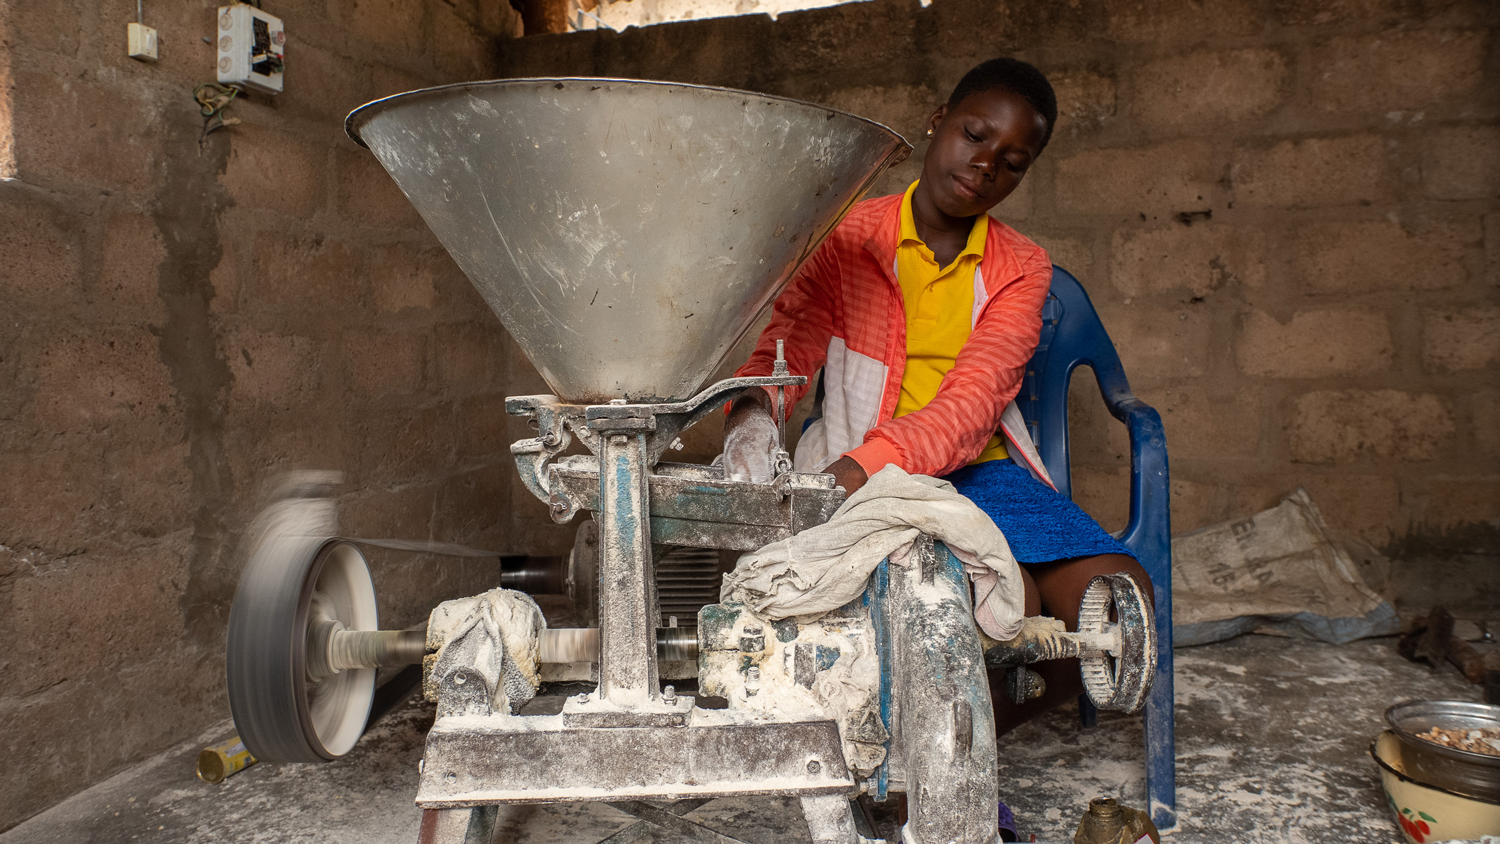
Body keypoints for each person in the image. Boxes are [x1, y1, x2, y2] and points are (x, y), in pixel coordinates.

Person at [721, 57, 1155, 840]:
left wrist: (863, 470)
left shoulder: (1021, 268)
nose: (985, 164)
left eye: (1012, 161)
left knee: (1114, 600)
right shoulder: (853, 234)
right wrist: (753, 418)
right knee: (977, 612)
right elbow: (787, 345)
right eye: (974, 134)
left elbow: (971, 407)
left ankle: (935, 765)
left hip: (973, 470)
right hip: (850, 465)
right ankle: (927, 777)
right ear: (937, 121)